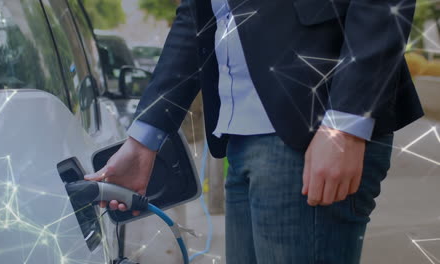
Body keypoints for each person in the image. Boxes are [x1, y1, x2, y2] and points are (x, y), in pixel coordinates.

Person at [85, 0, 423, 263]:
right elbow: (197, 16)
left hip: (313, 124)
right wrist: (144, 139)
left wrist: (345, 124)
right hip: (241, 135)